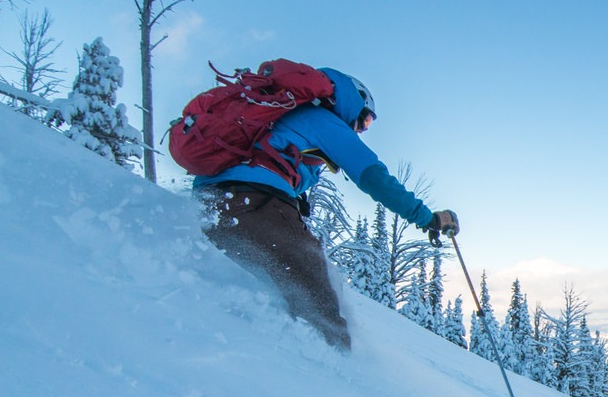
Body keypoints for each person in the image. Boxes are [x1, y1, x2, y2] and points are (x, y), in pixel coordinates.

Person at [191, 68, 457, 349]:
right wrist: (427, 218)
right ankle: (338, 375)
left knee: (262, 286)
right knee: (317, 303)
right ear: (352, 103)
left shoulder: (285, 117)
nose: (361, 129)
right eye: (365, 120)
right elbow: (373, 176)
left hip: (214, 201)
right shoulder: (323, 122)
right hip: (255, 202)